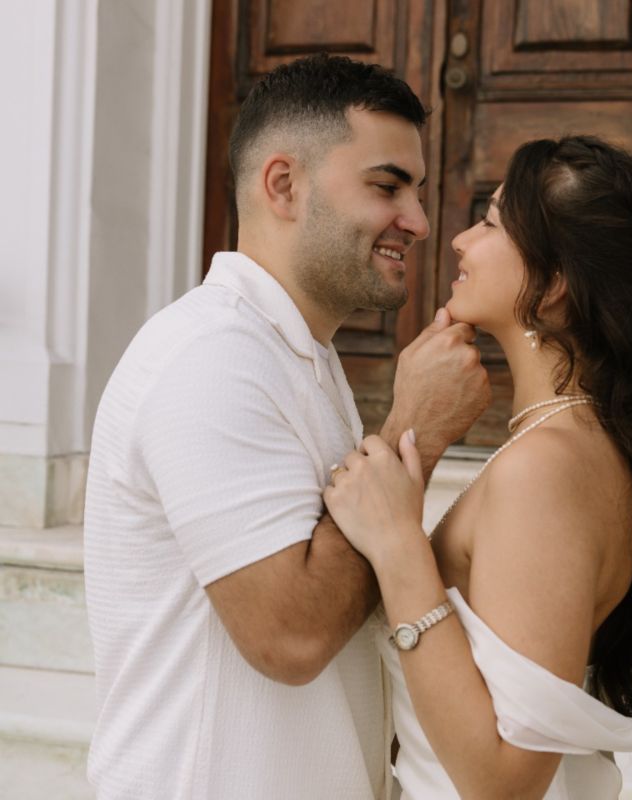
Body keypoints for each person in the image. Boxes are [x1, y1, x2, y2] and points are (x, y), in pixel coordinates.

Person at [83, 54, 490, 799]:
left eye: (417, 191)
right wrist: (416, 430)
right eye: (387, 186)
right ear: (283, 185)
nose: (420, 222)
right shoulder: (210, 358)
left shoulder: (296, 353)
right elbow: (290, 636)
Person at [324, 136, 632, 799]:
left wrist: (398, 548)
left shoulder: (545, 472)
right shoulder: (617, 449)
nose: (459, 241)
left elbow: (506, 783)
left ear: (554, 283)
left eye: (490, 224)